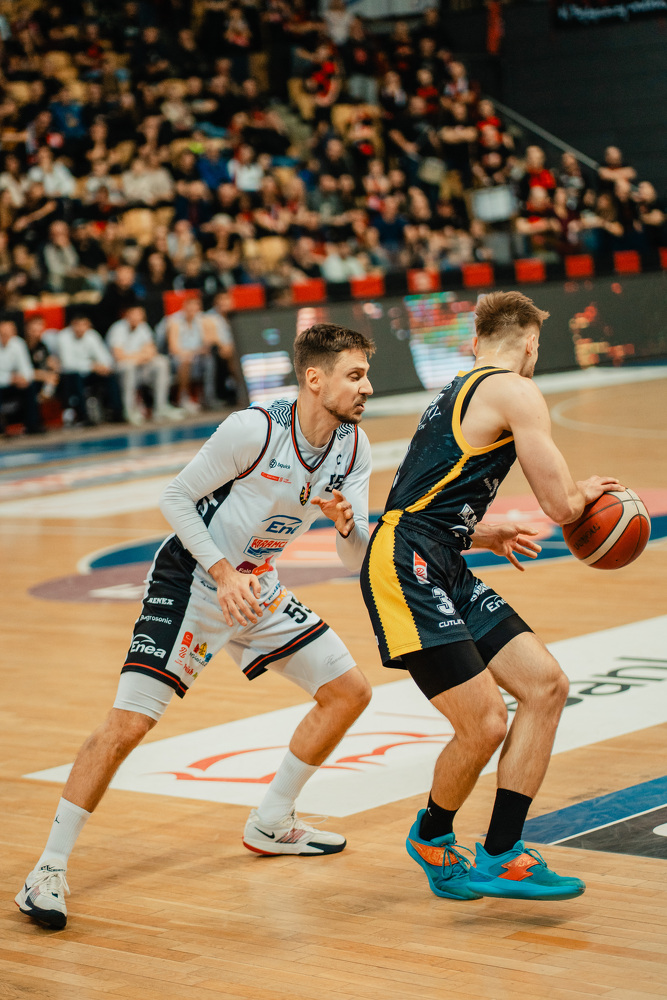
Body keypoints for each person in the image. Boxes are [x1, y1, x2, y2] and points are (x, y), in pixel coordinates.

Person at [16, 322, 375, 931]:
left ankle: (271, 821)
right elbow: (176, 498)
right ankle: (45, 871)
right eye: (356, 375)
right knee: (129, 724)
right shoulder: (254, 430)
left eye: (366, 375)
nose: (366, 387)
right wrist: (221, 570)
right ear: (315, 379)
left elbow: (354, 560)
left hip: (255, 586)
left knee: (349, 691)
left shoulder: (353, 447)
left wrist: (347, 526)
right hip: (193, 578)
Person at [360, 290, 622, 903]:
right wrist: (585, 494)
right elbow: (561, 506)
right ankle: (432, 837)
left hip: (437, 554)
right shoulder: (516, 390)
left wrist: (478, 531)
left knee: (545, 686)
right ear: (531, 344)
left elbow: (417, 498)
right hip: (407, 566)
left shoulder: (456, 390)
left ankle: (502, 852)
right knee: (482, 723)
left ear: (476, 341)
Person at [107, 305, 183, 424]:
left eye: (140, 315)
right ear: (127, 315)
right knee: (128, 366)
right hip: (120, 371)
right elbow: (119, 356)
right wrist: (140, 356)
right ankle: (129, 411)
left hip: (141, 367)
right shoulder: (117, 329)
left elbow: (152, 350)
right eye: (135, 314)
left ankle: (161, 407)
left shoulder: (143, 327)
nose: (138, 317)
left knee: (161, 362)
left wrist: (138, 356)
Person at [57, 314, 123, 426]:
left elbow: (105, 358)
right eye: (78, 325)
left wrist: (103, 367)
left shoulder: (92, 335)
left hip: (90, 373)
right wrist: (91, 366)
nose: (81, 328)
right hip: (70, 376)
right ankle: (84, 416)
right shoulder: (63, 337)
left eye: (84, 325)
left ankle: (116, 412)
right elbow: (67, 364)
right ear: (72, 325)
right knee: (76, 377)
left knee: (109, 375)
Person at [0, 319, 43, 434]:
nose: (6, 335)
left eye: (9, 332)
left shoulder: (18, 344)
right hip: (3, 383)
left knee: (30, 386)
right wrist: (9, 379)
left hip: (15, 383)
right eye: (3, 332)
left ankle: (32, 425)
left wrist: (23, 378)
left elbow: (26, 369)